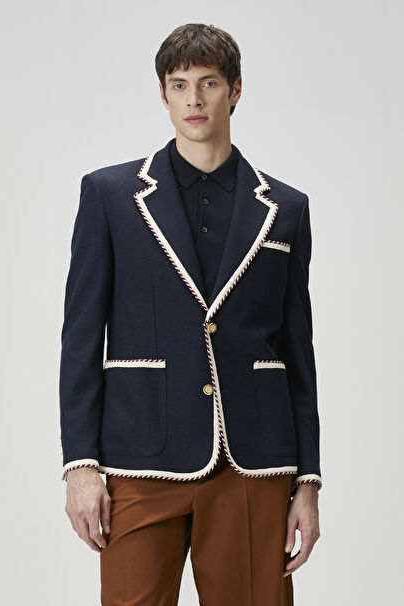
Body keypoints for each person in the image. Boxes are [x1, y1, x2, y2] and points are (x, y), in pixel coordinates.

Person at [59, 22, 322, 606]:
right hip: (140, 456)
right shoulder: (110, 195)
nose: (194, 99)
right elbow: (81, 337)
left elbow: (297, 352)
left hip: (253, 464)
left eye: (208, 83)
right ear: (163, 94)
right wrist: (80, 464)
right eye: (179, 85)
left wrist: (308, 483)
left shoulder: (285, 208)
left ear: (235, 89)